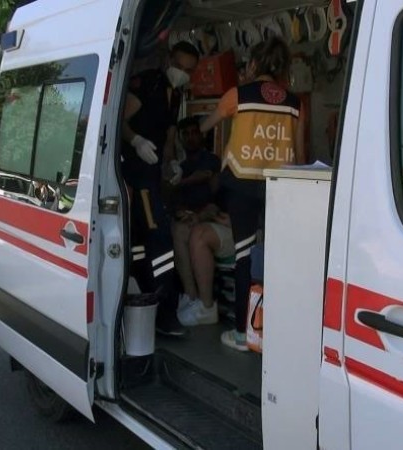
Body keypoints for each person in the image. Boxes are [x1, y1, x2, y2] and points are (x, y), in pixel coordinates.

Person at [200, 37, 306, 351]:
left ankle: (243, 334)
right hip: (280, 188)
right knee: (278, 258)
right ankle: (278, 331)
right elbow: (301, 155)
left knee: (244, 257)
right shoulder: (295, 103)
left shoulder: (238, 95)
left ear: (255, 63)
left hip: (242, 186)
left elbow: (205, 126)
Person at [122, 41, 200, 336]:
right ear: (169, 60)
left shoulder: (175, 94)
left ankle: (154, 306)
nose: (183, 73)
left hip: (154, 175)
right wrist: (136, 141)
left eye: (189, 70)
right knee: (161, 239)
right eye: (179, 66)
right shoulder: (148, 84)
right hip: (137, 174)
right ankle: (165, 313)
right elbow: (119, 121)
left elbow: (168, 137)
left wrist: (172, 163)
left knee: (148, 242)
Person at [168, 116, 234, 326]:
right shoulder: (181, 166)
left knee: (199, 233)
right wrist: (182, 212)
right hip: (195, 217)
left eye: (194, 132)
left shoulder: (211, 159)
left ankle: (206, 306)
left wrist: (180, 182)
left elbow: (205, 175)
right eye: (185, 134)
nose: (191, 138)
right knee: (178, 230)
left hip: (216, 217)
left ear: (201, 135)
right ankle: (192, 297)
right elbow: (176, 202)